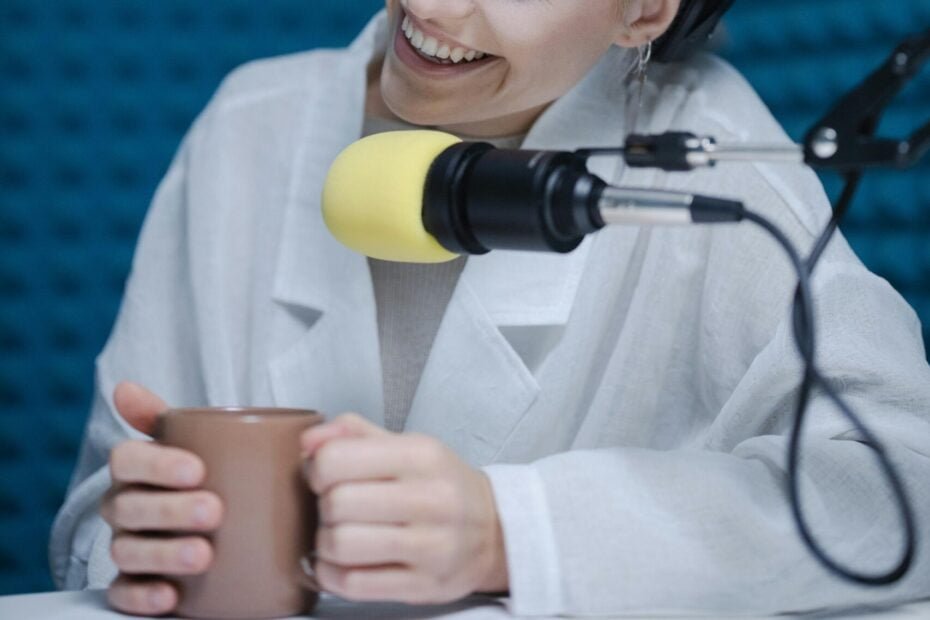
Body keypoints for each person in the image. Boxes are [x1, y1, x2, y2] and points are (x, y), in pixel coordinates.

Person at [51, 0, 930, 616]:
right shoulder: (252, 125)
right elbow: (99, 504)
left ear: (644, 11)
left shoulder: (714, 164)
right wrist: (140, 537)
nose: (430, 6)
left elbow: (903, 491)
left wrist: (516, 533)